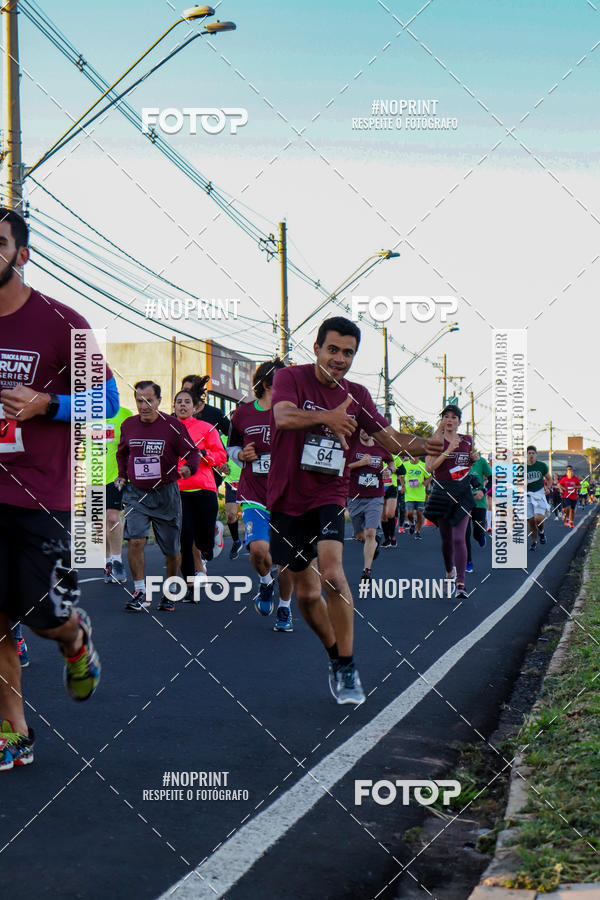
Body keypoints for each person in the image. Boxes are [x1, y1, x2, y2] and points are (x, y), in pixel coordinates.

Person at [267, 316, 443, 705]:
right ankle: (334, 655)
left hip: (329, 492)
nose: (340, 359)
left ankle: (347, 665)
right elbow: (283, 416)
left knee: (333, 575)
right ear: (317, 349)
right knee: (308, 596)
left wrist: (426, 444)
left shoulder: (358, 394)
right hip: (285, 498)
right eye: (333, 350)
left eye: (348, 353)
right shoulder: (291, 378)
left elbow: (391, 441)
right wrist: (326, 417)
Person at [0, 207, 110, 770]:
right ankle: (14, 731)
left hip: (44, 495)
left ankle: (75, 640)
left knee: (41, 616)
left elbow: (109, 405)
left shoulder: (63, 321)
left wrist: (48, 404)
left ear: (21, 254)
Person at [116, 381, 201, 611]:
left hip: (166, 494)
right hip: (137, 494)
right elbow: (122, 453)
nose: (143, 406)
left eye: (148, 401)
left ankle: (171, 588)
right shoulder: (129, 425)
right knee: (135, 540)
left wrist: (189, 469)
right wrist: (122, 475)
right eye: (139, 401)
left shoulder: (172, 425)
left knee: (172, 550)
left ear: (159, 401)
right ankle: (140, 591)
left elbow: (192, 452)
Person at [228, 358, 294, 631]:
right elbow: (232, 447)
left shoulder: (295, 412)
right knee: (258, 550)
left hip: (289, 496)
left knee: (286, 558)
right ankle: (266, 582)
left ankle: (285, 608)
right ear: (267, 383)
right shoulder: (243, 414)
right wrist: (241, 455)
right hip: (255, 492)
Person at [172, 389, 227, 603]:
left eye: (187, 402)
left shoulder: (206, 428)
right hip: (178, 491)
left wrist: (206, 455)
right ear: (174, 406)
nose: (183, 405)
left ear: (195, 407)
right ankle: (190, 586)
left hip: (204, 488)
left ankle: (212, 536)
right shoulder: (168, 428)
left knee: (203, 540)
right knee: (184, 539)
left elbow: (221, 456)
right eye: (179, 402)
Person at [424, 405, 481, 600]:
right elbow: (429, 467)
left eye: (454, 417)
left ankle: (461, 583)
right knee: (447, 539)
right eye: (446, 416)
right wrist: (448, 450)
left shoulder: (467, 440)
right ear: (441, 420)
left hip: (463, 491)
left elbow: (466, 463)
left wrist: (473, 459)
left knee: (459, 538)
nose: (449, 420)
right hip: (442, 491)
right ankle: (449, 571)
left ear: (459, 421)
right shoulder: (435, 441)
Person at [86, 404, 133, 584]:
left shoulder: (124, 413)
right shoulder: (84, 415)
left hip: (115, 477)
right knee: (98, 524)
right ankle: (107, 563)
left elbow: (130, 444)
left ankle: (117, 561)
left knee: (112, 518)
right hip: (92, 476)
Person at [347, 429, 393, 581]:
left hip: (375, 496)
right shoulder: (351, 445)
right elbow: (343, 467)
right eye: (362, 428)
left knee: (370, 533)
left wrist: (389, 470)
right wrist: (360, 463)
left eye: (368, 428)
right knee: (360, 535)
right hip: (355, 496)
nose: (366, 431)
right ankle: (374, 544)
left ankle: (366, 570)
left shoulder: (380, 447)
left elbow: (390, 462)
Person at [465, 450, 491, 572]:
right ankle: (468, 561)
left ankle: (481, 537)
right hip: (463, 503)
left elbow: (492, 479)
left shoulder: (481, 462)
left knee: (477, 534)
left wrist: (483, 491)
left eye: (473, 450)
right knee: (465, 534)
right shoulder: (459, 462)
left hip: (479, 503)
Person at [526, 445, 550, 550]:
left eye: (533, 453)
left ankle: (541, 531)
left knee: (538, 518)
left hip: (539, 493)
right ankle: (534, 542)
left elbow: (549, 478)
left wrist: (548, 488)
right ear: (526, 455)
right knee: (531, 521)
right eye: (529, 453)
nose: (531, 455)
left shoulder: (542, 466)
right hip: (527, 495)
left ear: (536, 454)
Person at [401, 456, 430, 540]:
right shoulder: (405, 465)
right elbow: (402, 476)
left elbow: (430, 476)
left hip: (420, 495)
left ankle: (417, 532)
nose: (413, 456)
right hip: (409, 494)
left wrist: (426, 482)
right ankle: (412, 523)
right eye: (412, 455)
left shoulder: (423, 465)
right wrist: (403, 486)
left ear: (419, 456)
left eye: (415, 455)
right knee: (409, 513)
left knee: (419, 514)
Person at [381, 451, 404, 547]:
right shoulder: (377, 454)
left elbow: (403, 471)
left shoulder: (395, 457)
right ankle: (387, 539)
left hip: (392, 487)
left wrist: (392, 470)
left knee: (390, 513)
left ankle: (393, 536)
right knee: (383, 517)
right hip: (379, 487)